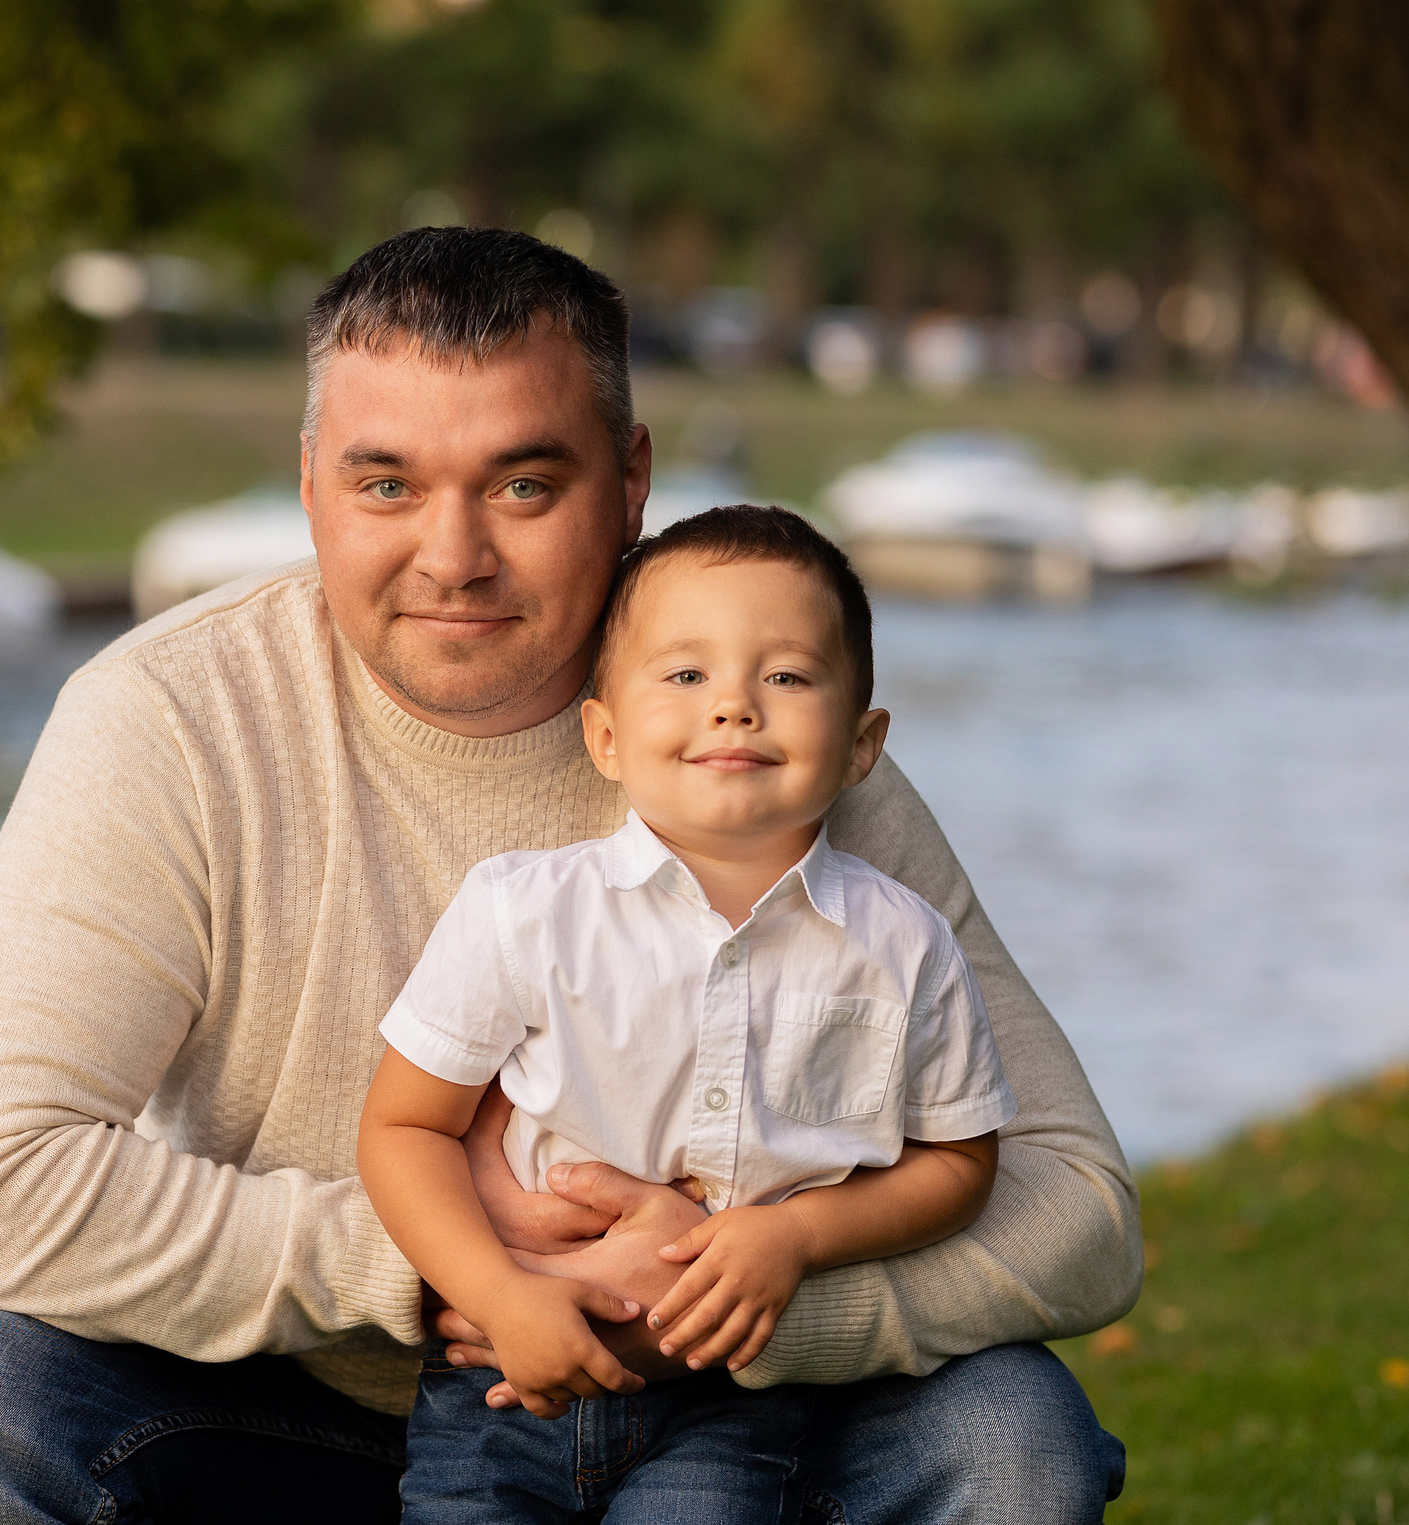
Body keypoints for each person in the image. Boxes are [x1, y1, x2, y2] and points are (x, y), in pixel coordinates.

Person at [0, 228, 1137, 1524]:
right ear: (310, 484)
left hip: (716, 1412)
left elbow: (1076, 1206)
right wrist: (454, 1265)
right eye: (386, 483)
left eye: (522, 484)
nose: (453, 556)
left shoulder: (755, 740)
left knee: (1011, 1436)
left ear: (630, 482)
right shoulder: (169, 719)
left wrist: (734, 1291)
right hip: (273, 1407)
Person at [361, 506, 1014, 1522]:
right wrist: (497, 1294)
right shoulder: (524, 911)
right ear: (605, 734)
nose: (734, 708)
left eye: (787, 678)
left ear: (860, 744)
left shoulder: (903, 945)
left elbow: (960, 1162)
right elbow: (404, 1128)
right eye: (685, 674)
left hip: (731, 1396)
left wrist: (797, 1239)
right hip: (503, 1380)